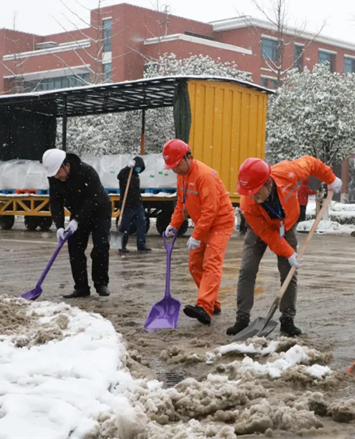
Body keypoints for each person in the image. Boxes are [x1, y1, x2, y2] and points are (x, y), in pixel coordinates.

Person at [227, 156, 342, 337]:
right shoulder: (247, 203)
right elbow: (267, 234)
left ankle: (287, 319)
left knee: (289, 271)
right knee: (247, 270)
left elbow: (311, 163)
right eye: (249, 192)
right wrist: (288, 252)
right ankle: (242, 319)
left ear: (268, 182)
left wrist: (331, 179)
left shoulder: (287, 172)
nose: (253, 196)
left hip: (286, 227)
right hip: (259, 230)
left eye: (256, 192)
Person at [162, 139, 235, 325]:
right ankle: (213, 303)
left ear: (188, 157)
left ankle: (204, 306)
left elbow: (210, 210)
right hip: (203, 222)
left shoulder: (204, 176)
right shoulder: (182, 176)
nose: (175, 169)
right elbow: (182, 203)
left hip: (220, 222)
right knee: (194, 264)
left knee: (211, 262)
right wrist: (174, 224)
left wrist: (196, 235)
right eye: (172, 167)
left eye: (177, 164)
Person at [42, 149, 112, 298]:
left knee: (100, 246)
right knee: (75, 249)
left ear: (66, 165)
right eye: (53, 174)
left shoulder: (87, 172)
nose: (56, 177)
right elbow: (55, 201)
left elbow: (92, 199)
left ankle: (101, 283)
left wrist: (76, 220)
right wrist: (59, 226)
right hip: (77, 212)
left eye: (57, 172)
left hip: (99, 210)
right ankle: (81, 287)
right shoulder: (54, 177)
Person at [117, 156, 151, 253]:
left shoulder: (136, 176)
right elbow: (119, 176)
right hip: (127, 204)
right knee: (125, 226)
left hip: (137, 204)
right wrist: (127, 168)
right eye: (138, 167)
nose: (139, 169)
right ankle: (121, 245)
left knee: (142, 224)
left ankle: (141, 245)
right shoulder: (126, 174)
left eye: (140, 167)